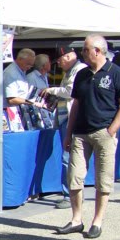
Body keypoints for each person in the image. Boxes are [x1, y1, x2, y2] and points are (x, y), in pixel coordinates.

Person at [57, 35, 120, 240]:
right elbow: (76, 106)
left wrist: (111, 130)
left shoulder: (116, 73)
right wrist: (69, 133)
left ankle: (97, 221)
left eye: (85, 49)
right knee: (74, 176)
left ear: (97, 51)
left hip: (103, 133)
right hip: (80, 133)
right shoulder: (82, 74)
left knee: (103, 179)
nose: (83, 53)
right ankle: (76, 219)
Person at [40, 45, 87, 208]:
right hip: (64, 117)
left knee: (69, 157)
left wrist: (51, 90)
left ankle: (70, 195)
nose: (58, 64)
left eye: (59, 61)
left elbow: (70, 91)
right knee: (68, 156)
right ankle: (72, 193)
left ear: (67, 57)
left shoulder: (79, 70)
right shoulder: (72, 70)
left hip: (71, 118)